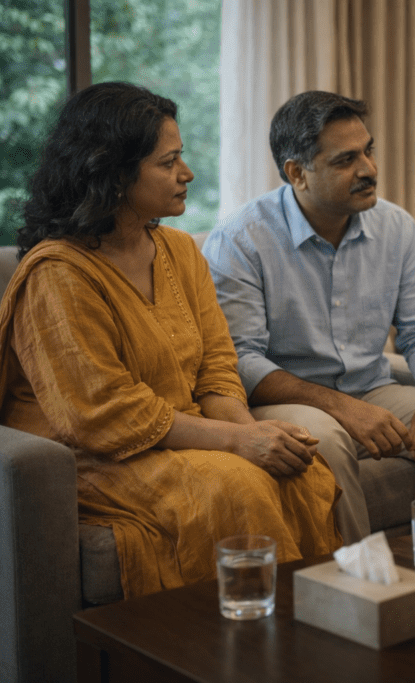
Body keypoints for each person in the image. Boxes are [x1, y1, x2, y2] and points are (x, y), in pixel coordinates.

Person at [0, 82, 343, 598]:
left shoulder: (180, 250)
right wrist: (236, 445)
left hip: (179, 432)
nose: (186, 174)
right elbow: (102, 413)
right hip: (92, 456)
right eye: (168, 162)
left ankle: (322, 628)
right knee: (238, 485)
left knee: (299, 470)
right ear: (114, 174)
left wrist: (249, 435)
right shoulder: (57, 272)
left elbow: (218, 364)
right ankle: (253, 649)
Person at [202, 91, 415, 547]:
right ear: (297, 173)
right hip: (284, 398)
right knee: (323, 440)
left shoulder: (396, 228)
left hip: (371, 387)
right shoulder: (241, 239)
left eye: (368, 151)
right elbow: (241, 360)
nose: (369, 169)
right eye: (346, 160)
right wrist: (342, 408)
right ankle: (357, 588)